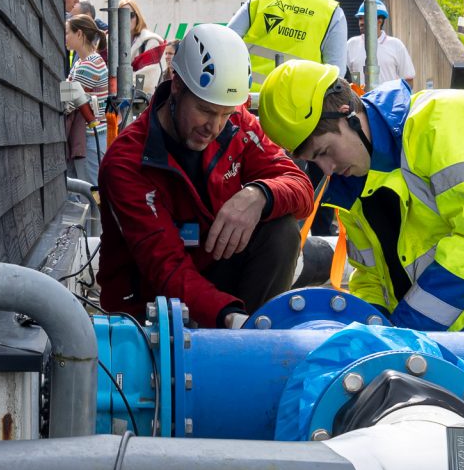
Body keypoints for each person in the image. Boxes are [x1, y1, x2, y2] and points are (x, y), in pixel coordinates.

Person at [258, 59, 464, 333]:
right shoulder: (352, 196)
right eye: (315, 162)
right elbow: (371, 281)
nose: (327, 168)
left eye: (325, 151)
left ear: (347, 113)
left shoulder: (447, 118)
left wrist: (405, 333)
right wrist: (372, 335)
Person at [96, 24, 317, 329]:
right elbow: (165, 267)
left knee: (281, 230)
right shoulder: (127, 162)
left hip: (212, 277)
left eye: (225, 114)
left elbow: (300, 187)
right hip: (148, 306)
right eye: (205, 111)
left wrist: (259, 195)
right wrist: (231, 318)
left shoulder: (237, 124)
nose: (214, 127)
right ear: (177, 85)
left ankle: (252, 345)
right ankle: (245, 342)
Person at [230, 0, 346, 89]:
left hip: (251, 100)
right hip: (301, 104)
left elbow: (227, 42)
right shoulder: (332, 11)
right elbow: (336, 73)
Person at [66, 13, 110, 182]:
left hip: (90, 139)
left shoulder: (91, 64)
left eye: (68, 32)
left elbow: (67, 99)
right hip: (85, 137)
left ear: (79, 34)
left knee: (90, 193)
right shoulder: (82, 62)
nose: (65, 37)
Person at [352, 0, 416, 92]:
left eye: (365, 18)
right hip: (359, 105)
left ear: (379, 20)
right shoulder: (351, 45)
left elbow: (408, 81)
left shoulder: (396, 45)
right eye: (360, 18)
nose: (361, 22)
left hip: (388, 105)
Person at [118, 0, 168, 103]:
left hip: (143, 103)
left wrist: (120, 82)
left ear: (137, 16)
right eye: (122, 16)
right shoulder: (114, 42)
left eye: (130, 15)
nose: (126, 20)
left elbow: (150, 77)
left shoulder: (151, 41)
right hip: (119, 102)